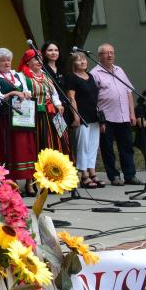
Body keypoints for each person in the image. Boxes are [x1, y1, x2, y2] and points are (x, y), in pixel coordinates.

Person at [90, 44, 141, 186]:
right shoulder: (95, 73)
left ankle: (130, 176)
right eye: (106, 53)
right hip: (106, 118)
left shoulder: (119, 70)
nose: (109, 55)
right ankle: (114, 176)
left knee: (127, 148)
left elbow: (129, 92)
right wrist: (99, 120)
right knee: (107, 150)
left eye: (112, 52)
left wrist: (132, 113)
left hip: (124, 116)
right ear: (99, 56)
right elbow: (92, 98)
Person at [0, 48, 37, 194]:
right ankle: (12, 183)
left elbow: (27, 91)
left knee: (28, 149)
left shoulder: (17, 75)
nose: (6, 62)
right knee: (11, 150)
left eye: (8, 60)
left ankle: (29, 183)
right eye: (3, 60)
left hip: (23, 116)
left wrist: (27, 94)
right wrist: (12, 93)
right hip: (6, 119)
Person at [63, 51, 103, 188]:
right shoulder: (71, 77)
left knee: (93, 145)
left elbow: (95, 96)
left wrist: (101, 119)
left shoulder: (90, 76)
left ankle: (92, 172)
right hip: (82, 116)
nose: (83, 62)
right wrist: (76, 116)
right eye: (79, 60)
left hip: (94, 116)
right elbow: (71, 98)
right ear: (73, 63)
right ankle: (84, 174)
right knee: (83, 145)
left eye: (84, 60)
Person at [20, 49, 69, 156]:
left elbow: (54, 93)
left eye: (40, 59)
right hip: (37, 113)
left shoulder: (45, 75)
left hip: (51, 111)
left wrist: (58, 104)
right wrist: (26, 93)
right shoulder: (23, 76)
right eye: (35, 59)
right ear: (28, 62)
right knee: (42, 139)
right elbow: (23, 91)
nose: (39, 61)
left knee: (58, 139)